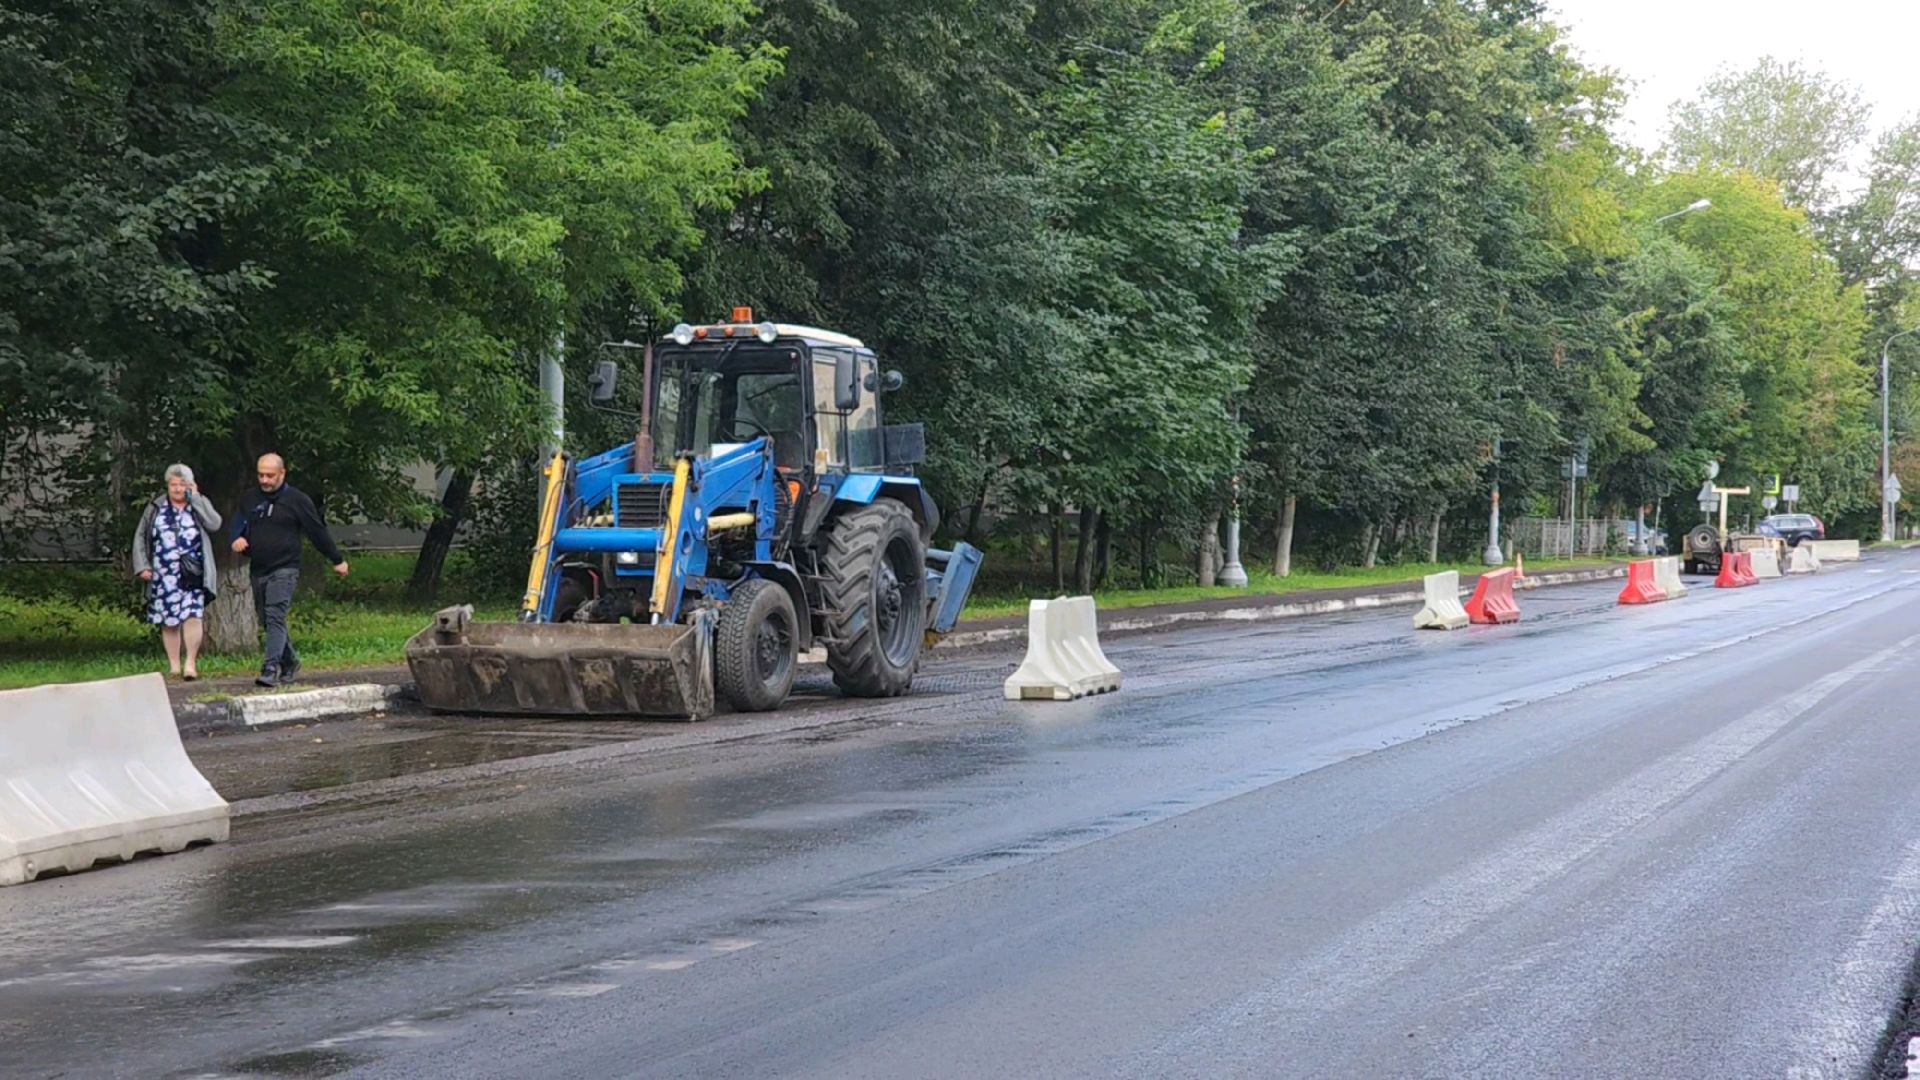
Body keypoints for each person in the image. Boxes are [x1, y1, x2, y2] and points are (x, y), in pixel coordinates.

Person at [231, 453, 349, 686]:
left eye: (270, 475)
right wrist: (236, 539)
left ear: (282, 474)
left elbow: (317, 531)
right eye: (260, 474)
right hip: (258, 568)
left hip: (285, 567)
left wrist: (336, 559)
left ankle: (270, 667)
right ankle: (291, 660)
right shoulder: (249, 498)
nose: (264, 480)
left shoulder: (297, 500)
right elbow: (238, 525)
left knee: (276, 614)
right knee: (266, 618)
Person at [132, 464, 223, 680]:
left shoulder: (198, 504)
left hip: (193, 572)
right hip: (163, 573)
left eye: (183, 484)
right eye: (173, 484)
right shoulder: (156, 507)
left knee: (193, 615)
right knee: (169, 620)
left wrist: (197, 498)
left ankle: (190, 663)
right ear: (167, 485)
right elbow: (140, 536)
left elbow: (215, 524)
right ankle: (174, 666)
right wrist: (143, 565)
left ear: (190, 485)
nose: (178, 489)